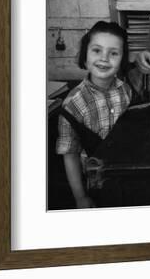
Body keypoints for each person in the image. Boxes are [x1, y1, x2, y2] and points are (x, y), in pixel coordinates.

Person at [56, 21, 132, 208]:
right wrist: (80, 197)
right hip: (95, 184)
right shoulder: (72, 105)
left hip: (126, 176)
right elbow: (70, 154)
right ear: (85, 55)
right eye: (96, 50)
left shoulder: (126, 91)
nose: (104, 58)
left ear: (122, 59)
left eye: (113, 53)